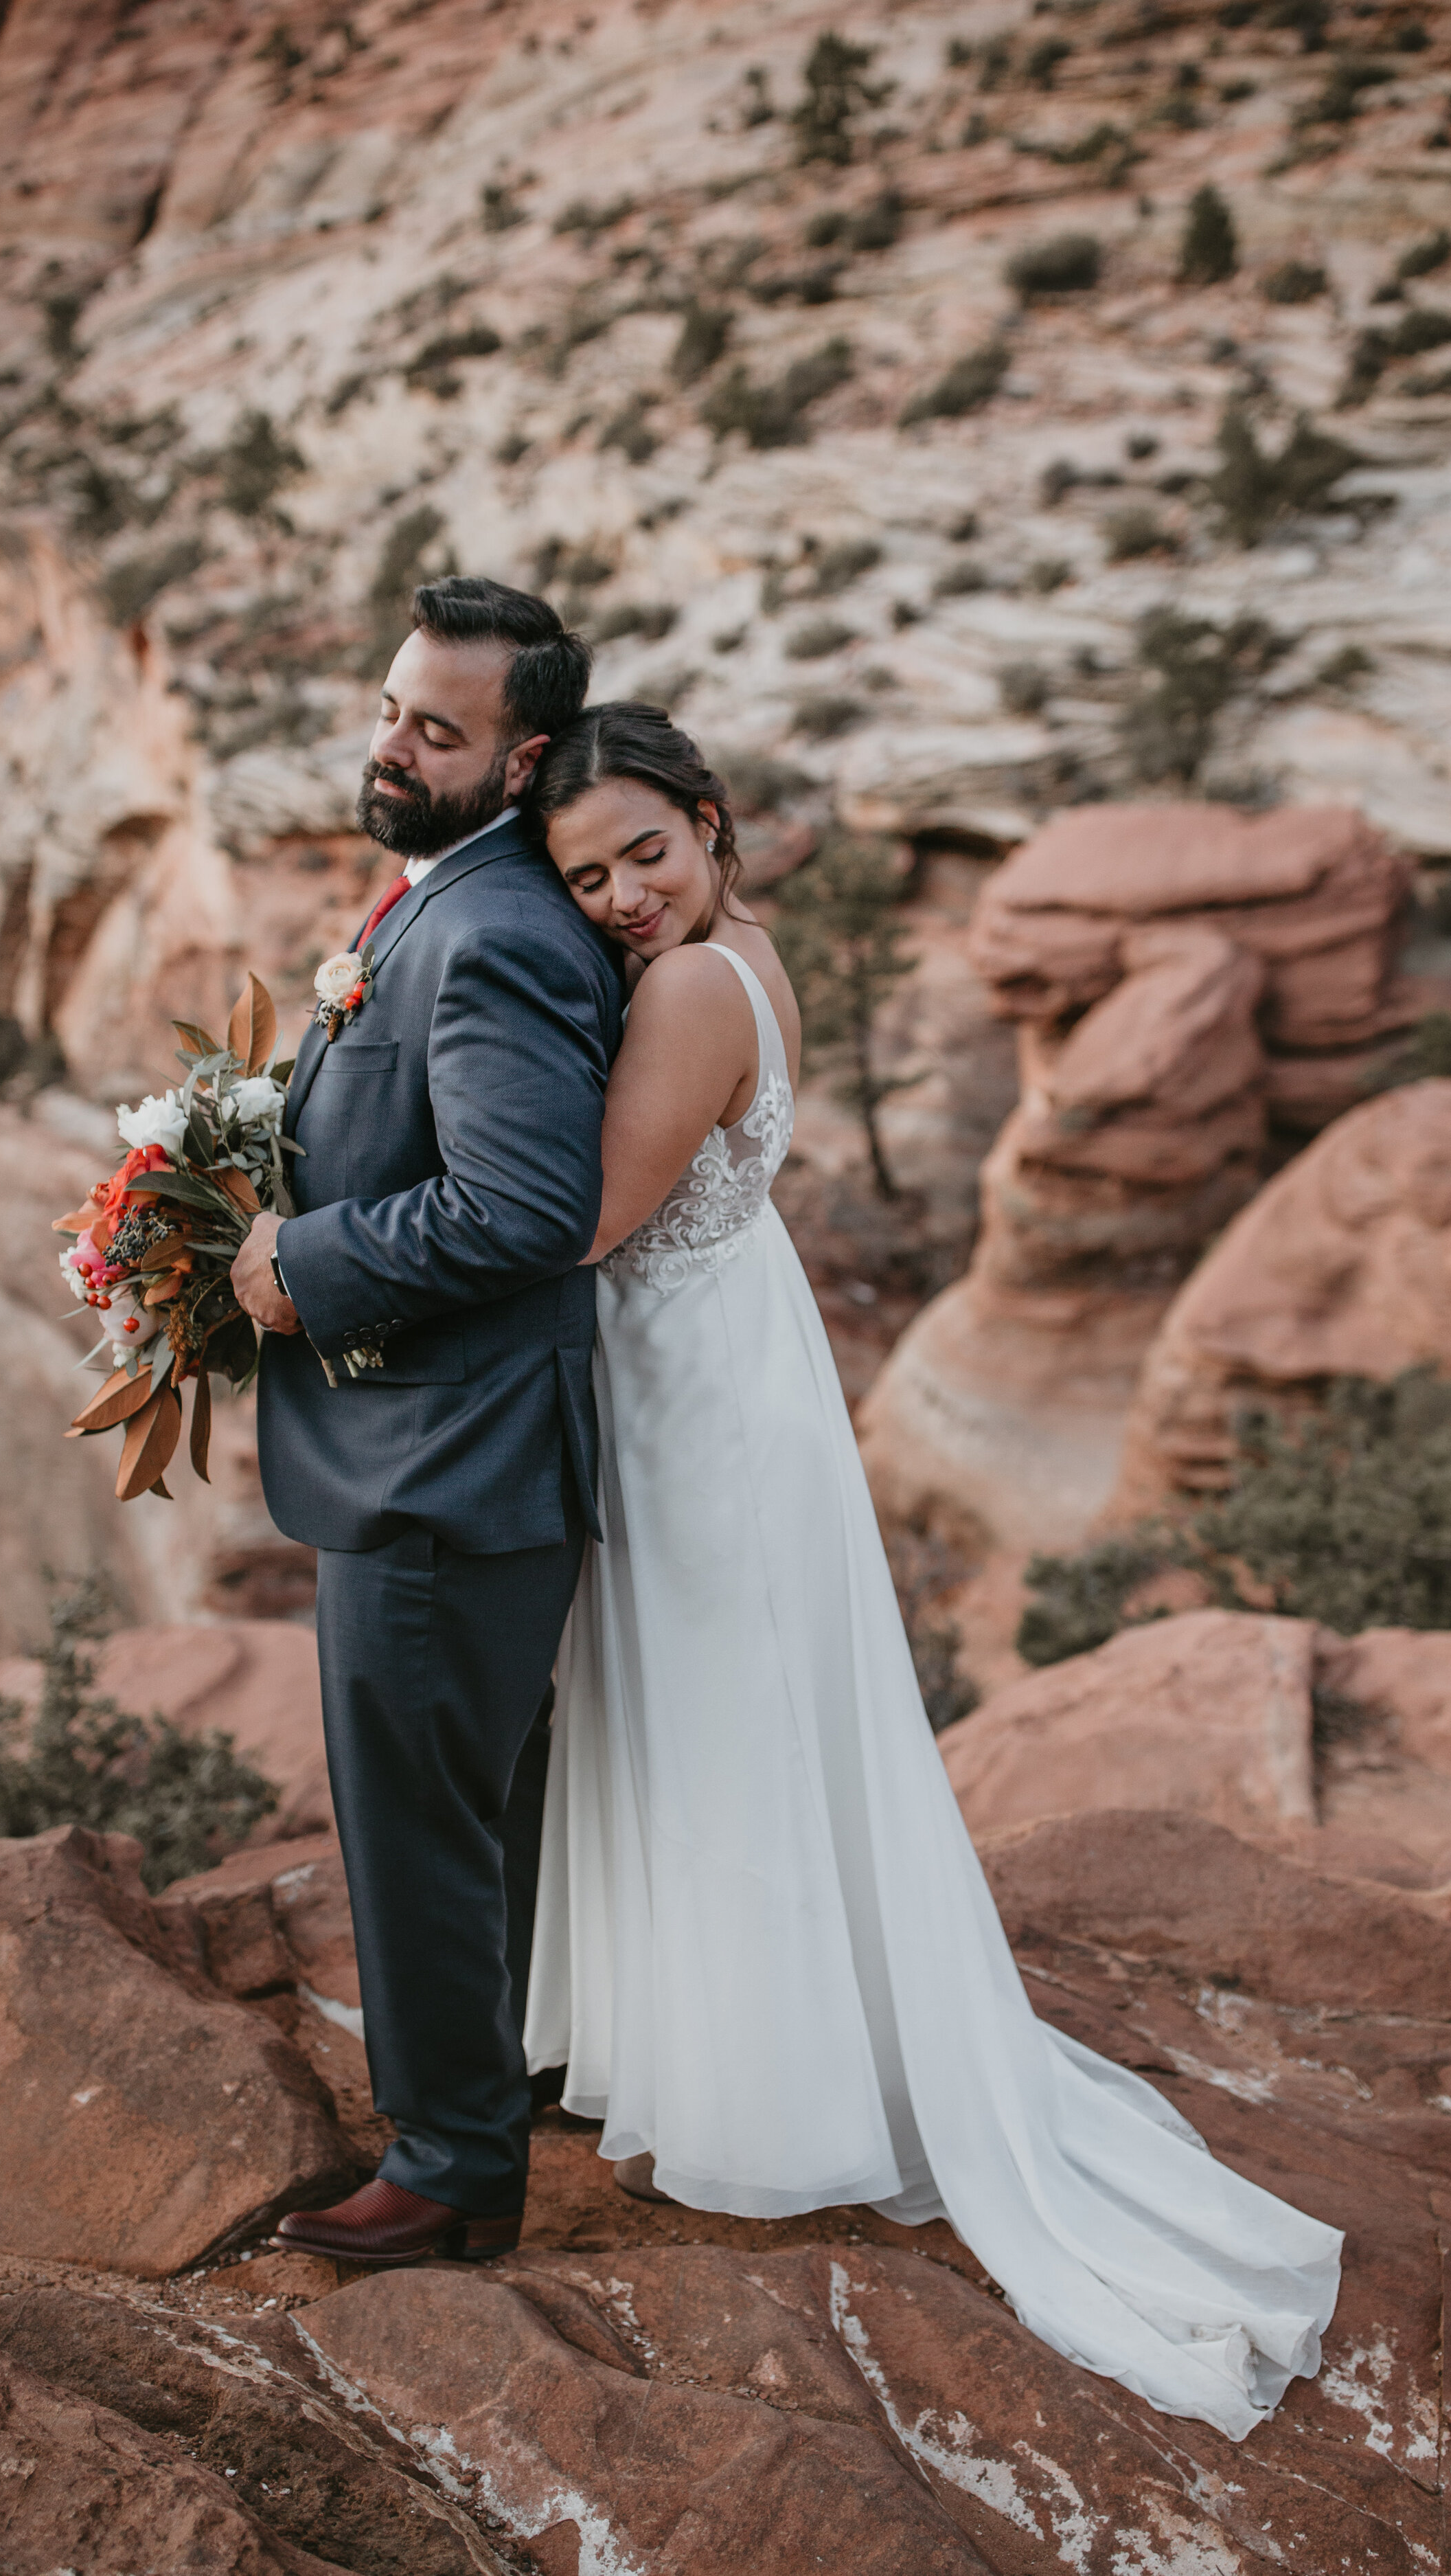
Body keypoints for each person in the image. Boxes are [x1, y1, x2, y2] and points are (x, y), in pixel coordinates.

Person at [519, 701, 1343, 2443]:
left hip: (692, 1383)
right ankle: (762, 2028)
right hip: (731, 1353)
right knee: (748, 1704)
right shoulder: (745, 946)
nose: (617, 898)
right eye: (582, 876)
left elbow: (583, 1221)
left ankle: (766, 2086)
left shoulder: (680, 988)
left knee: (725, 1714)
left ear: (710, 823)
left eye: (643, 855)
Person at [229, 576, 624, 2268]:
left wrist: (300, 1265)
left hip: (447, 1468)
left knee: (418, 1818)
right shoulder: (437, 899)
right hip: (436, 1452)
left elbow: (526, 1207)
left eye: (434, 731)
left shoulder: (503, 932)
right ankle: (496, 2088)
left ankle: (454, 2169)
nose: (390, 744)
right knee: (466, 1806)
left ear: (520, 758)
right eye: (390, 707)